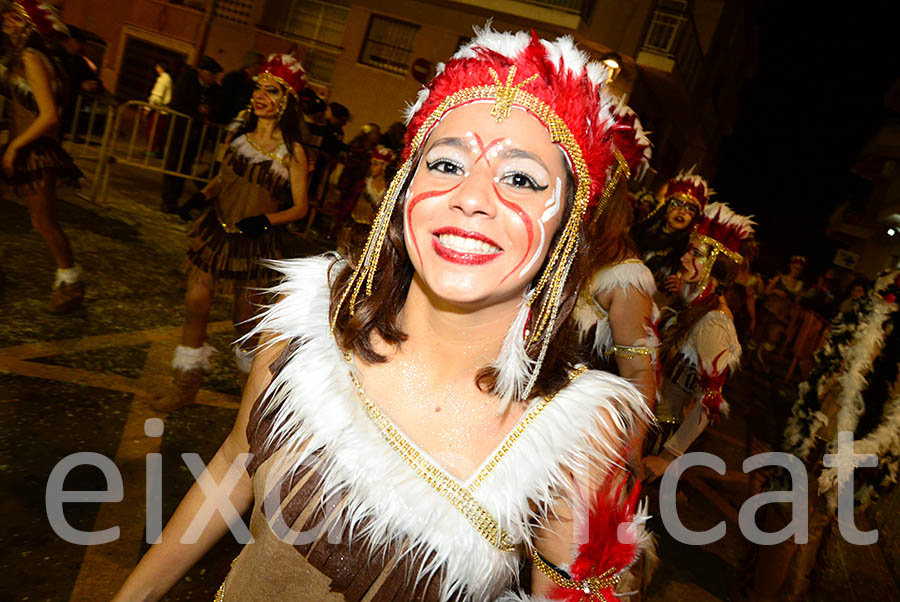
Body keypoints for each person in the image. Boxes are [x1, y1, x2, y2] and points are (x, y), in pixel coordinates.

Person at [113, 29, 653, 601]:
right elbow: (233, 466)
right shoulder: (307, 335)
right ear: (402, 189)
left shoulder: (572, 438)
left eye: (520, 179)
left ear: (567, 222)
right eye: (446, 164)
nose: (471, 196)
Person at [149, 54, 309, 412]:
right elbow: (223, 178)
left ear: (287, 101)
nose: (260, 96)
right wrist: (198, 198)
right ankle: (185, 385)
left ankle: (250, 396)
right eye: (257, 89)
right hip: (217, 231)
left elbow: (301, 207)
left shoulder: (293, 151)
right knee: (195, 303)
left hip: (254, 241)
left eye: (271, 90)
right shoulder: (237, 135)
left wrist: (266, 220)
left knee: (245, 322)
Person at [571, 100, 659, 465]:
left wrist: (629, 454)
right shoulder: (540, 240)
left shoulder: (622, 277)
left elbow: (639, 371)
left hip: (568, 437)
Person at [643, 203, 755, 480]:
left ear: (713, 270)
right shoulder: (688, 304)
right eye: (688, 250)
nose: (684, 257)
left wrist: (667, 457)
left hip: (656, 432)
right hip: (641, 420)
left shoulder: (713, 322)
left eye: (696, 253)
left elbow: (708, 400)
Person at [0, 1, 84, 313]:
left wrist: (14, 147)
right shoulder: (24, 58)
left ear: (30, 25)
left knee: (43, 221)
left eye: (15, 16)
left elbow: (49, 116)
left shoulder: (31, 57)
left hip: (33, 151)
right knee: (41, 220)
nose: (7, 19)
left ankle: (70, 280)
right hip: (24, 146)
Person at [631, 168, 712, 294]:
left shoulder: (688, 252)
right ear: (665, 208)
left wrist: (678, 288)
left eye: (690, 209)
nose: (682, 211)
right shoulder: (639, 231)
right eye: (676, 204)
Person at [159, 55, 223, 214]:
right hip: (179, 131)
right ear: (201, 71)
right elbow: (178, 104)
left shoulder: (214, 89)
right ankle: (169, 200)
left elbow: (217, 107)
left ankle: (174, 199)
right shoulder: (187, 81)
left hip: (196, 135)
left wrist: (210, 112)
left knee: (185, 166)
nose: (213, 77)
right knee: (174, 165)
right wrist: (198, 112)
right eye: (211, 73)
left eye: (215, 74)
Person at [334, 142, 394, 255]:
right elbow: (349, 203)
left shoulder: (387, 189)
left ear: (383, 167)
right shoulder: (363, 185)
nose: (372, 167)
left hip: (370, 231)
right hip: (354, 226)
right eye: (372, 164)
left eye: (376, 164)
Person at [749, 254, 805, 370]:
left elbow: (797, 303)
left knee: (773, 338)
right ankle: (747, 360)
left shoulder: (799, 285)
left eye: (799, 269)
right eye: (795, 267)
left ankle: (760, 360)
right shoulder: (779, 277)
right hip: (768, 309)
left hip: (782, 315)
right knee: (757, 336)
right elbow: (766, 291)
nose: (796, 271)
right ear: (790, 267)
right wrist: (776, 291)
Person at [218, 50, 263, 124]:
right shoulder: (233, 77)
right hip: (228, 117)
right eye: (260, 64)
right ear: (253, 64)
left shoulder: (255, 82)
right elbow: (226, 98)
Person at [144, 60, 172, 157]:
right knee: (159, 132)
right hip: (162, 110)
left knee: (153, 131)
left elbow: (157, 96)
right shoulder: (168, 79)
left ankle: (151, 150)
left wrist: (148, 108)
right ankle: (158, 150)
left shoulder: (163, 79)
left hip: (158, 110)